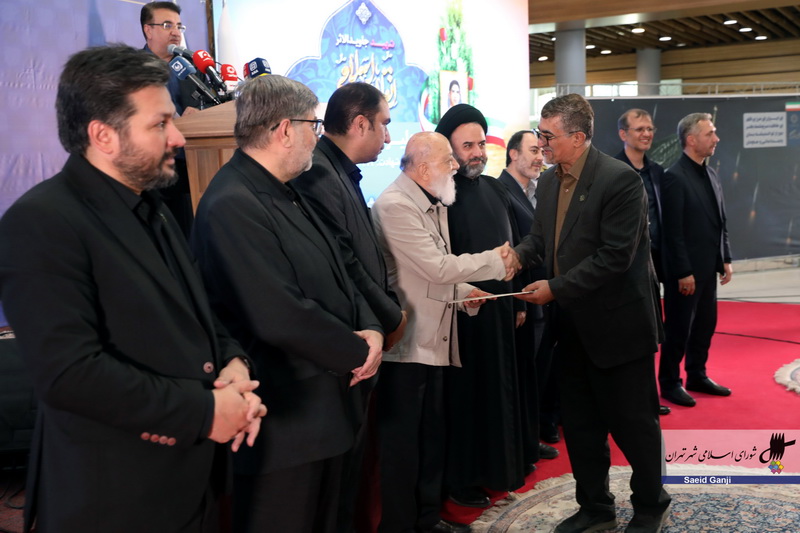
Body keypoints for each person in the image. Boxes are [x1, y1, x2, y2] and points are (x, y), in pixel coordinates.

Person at [0, 44, 265, 533]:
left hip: (188, 485)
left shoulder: (153, 207)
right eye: (160, 123)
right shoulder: (40, 222)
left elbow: (196, 314)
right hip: (114, 497)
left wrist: (234, 366)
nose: (178, 137)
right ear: (103, 135)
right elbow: (70, 374)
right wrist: (206, 412)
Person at [189, 74, 384, 533]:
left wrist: (373, 327)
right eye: (313, 125)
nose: (318, 136)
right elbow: (278, 313)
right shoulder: (232, 202)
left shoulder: (288, 188)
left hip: (326, 412)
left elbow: (342, 267)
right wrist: (358, 351)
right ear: (284, 130)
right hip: (287, 426)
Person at [514, 93, 671, 533]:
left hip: (619, 327)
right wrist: (514, 257)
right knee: (581, 426)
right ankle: (595, 507)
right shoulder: (549, 181)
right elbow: (540, 240)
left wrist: (555, 289)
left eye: (549, 136)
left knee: (634, 425)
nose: (541, 143)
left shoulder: (620, 180)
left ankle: (651, 504)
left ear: (579, 137)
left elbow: (615, 257)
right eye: (540, 133)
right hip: (571, 326)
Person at [371, 131, 514, 533]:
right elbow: (435, 268)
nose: (455, 166)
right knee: (404, 449)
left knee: (431, 439)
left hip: (434, 341)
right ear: (422, 168)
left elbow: (430, 271)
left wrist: (465, 293)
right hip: (408, 346)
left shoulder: (432, 202)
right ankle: (402, 526)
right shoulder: (394, 205)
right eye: (447, 159)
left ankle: (427, 520)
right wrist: (495, 261)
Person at [291, 81, 406, 532]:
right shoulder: (319, 173)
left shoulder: (339, 170)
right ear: (360, 124)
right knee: (336, 485)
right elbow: (345, 261)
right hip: (346, 343)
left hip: (362, 336)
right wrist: (389, 317)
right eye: (384, 125)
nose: (388, 137)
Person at [435, 104, 528, 508]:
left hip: (502, 308)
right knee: (469, 397)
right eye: (467, 146)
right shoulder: (441, 194)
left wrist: (519, 297)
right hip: (463, 314)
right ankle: (465, 479)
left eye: (480, 144)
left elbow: (513, 246)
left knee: (501, 389)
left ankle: (500, 469)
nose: (476, 153)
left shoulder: (494, 188)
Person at [659, 112, 733, 408]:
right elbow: (672, 232)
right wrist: (683, 271)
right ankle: (669, 382)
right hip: (686, 274)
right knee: (678, 329)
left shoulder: (711, 174)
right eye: (709, 134)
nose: (716, 139)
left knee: (704, 326)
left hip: (708, 268)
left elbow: (720, 221)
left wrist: (725, 257)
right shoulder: (674, 177)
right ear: (691, 140)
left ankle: (697, 375)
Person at [498, 130, 560, 461]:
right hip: (524, 298)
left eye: (541, 150)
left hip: (548, 294)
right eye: (533, 150)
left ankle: (543, 424)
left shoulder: (540, 190)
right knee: (527, 374)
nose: (540, 157)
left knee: (544, 368)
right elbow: (509, 248)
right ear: (513, 154)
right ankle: (526, 438)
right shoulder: (500, 191)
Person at [614, 109, 672, 417]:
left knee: (652, 335)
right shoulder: (612, 171)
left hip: (655, 266)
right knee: (628, 338)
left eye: (650, 128)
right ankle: (628, 401)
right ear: (623, 134)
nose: (646, 134)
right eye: (639, 129)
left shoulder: (657, 171)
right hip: (624, 270)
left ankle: (648, 398)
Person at [140, 1, 200, 236]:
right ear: (148, 30)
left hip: (195, 163)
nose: (176, 32)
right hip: (156, 168)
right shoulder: (133, 70)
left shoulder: (191, 67)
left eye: (179, 26)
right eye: (167, 25)